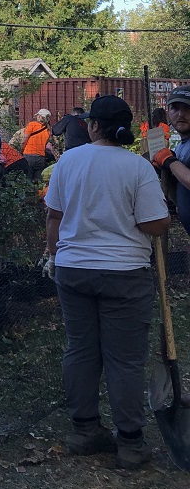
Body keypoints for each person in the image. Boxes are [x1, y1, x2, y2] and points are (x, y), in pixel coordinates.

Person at [44, 96, 170, 470]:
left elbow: (54, 215)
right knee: (125, 359)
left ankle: (84, 431)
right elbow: (156, 225)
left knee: (80, 350)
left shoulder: (69, 161)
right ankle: (130, 442)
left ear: (93, 126)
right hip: (124, 276)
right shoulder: (138, 168)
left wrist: (55, 257)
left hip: (73, 269)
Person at [153, 86, 190, 236]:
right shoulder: (182, 147)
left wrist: (169, 161)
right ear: (168, 111)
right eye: (175, 108)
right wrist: (165, 170)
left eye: (187, 108)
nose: (181, 114)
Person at [22, 108, 52, 181]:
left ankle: (29, 192)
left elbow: (24, 140)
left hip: (28, 155)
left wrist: (21, 149)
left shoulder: (32, 124)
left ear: (39, 116)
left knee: (28, 179)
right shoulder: (48, 130)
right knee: (38, 181)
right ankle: (38, 192)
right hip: (41, 158)